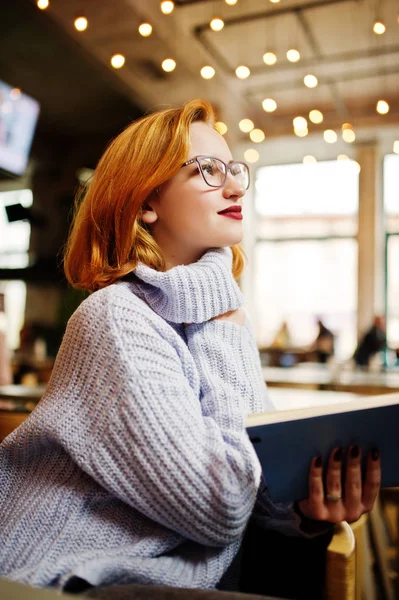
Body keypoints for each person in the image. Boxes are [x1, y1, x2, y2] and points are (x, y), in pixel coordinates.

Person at [0, 100, 381, 597]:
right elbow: (220, 505)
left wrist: (305, 508)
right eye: (207, 170)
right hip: (66, 580)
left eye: (234, 170)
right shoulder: (117, 318)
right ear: (145, 202)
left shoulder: (210, 316)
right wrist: (225, 328)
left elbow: (250, 486)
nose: (236, 185)